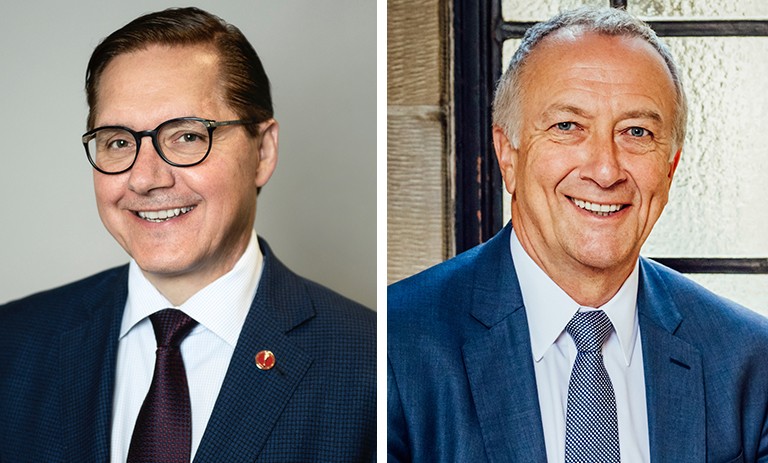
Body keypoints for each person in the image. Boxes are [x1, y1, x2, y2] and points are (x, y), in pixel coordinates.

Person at [388, 7, 768, 462]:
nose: (605, 170)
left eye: (636, 132)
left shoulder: (749, 359)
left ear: (670, 167)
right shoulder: (397, 345)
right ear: (507, 154)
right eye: (567, 126)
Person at [0, 7, 375, 462]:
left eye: (187, 137)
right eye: (118, 141)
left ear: (263, 151)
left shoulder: (370, 365)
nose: (145, 179)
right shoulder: (13, 343)